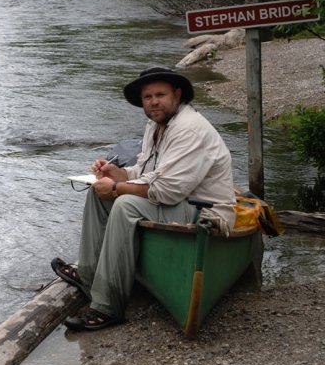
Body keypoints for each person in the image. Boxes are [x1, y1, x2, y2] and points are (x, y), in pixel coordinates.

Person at [51, 67, 236, 331]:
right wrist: (119, 173)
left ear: (177, 94)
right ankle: (89, 275)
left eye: (160, 94)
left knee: (125, 204)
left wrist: (117, 187)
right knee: (97, 193)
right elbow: (148, 172)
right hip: (178, 202)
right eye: (148, 97)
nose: (154, 102)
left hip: (205, 212)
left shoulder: (189, 129)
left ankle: (107, 307)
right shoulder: (156, 125)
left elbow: (167, 190)